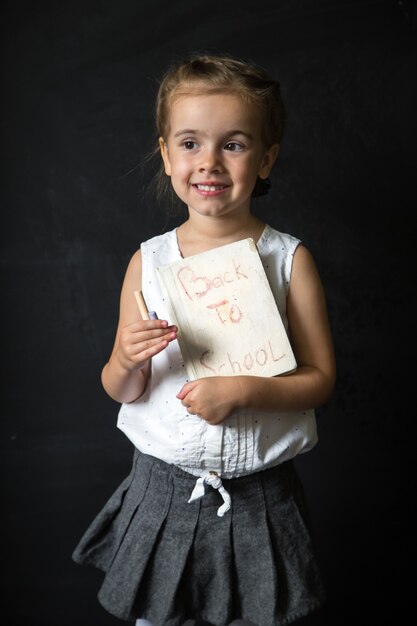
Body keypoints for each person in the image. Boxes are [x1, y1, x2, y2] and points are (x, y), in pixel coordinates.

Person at [72, 53, 336, 626]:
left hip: (260, 496)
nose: (209, 162)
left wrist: (243, 390)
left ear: (266, 158)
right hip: (163, 490)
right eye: (190, 143)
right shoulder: (149, 261)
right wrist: (124, 359)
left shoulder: (290, 261)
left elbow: (320, 380)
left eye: (234, 145)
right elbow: (122, 388)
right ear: (166, 155)